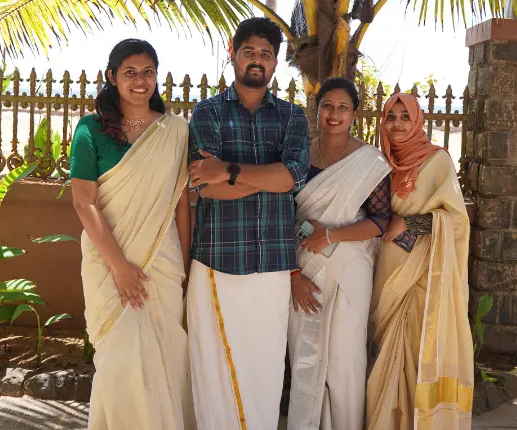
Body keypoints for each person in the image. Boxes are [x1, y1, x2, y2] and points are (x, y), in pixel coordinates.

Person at [186, 17, 310, 430]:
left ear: (275, 63)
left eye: (266, 54)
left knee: (266, 369)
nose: (257, 61)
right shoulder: (208, 112)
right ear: (232, 53)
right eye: (249, 52)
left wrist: (230, 170)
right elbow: (206, 187)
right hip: (218, 261)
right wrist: (266, 179)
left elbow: (293, 177)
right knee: (216, 371)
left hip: (273, 265)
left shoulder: (293, 118)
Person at [69, 39, 195, 430]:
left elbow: (180, 204)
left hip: (164, 262)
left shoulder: (175, 131)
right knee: (118, 358)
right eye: (130, 72)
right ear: (112, 77)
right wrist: (120, 267)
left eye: (148, 72)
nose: (140, 81)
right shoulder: (90, 129)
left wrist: (185, 265)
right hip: (108, 263)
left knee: (167, 356)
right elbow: (83, 202)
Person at [287, 78, 392, 430]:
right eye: (327, 106)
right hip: (303, 266)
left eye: (342, 107)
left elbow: (380, 220)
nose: (334, 114)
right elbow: (280, 215)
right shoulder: (298, 155)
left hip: (350, 268)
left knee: (345, 356)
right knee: (303, 351)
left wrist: (330, 235)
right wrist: (293, 276)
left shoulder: (369, 161)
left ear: (354, 113)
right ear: (316, 109)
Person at [366, 93, 473, 430]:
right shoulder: (377, 161)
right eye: (391, 117)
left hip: (422, 272)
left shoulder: (437, 161)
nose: (397, 124)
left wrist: (408, 223)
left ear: (417, 122)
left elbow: (456, 221)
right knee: (386, 351)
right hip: (384, 270)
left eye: (405, 117)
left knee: (415, 348)